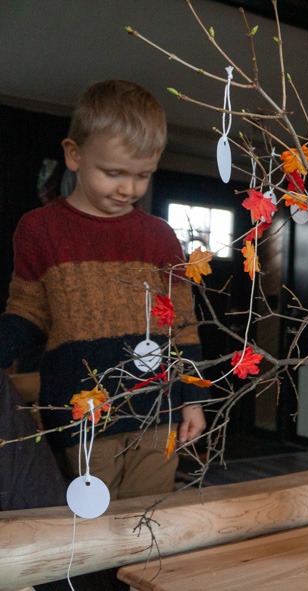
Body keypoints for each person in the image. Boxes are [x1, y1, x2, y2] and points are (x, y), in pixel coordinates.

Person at [0, 80, 207, 500]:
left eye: (143, 175)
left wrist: (192, 399)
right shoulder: (40, 230)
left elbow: (182, 325)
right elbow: (27, 313)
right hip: (79, 415)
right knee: (81, 531)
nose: (128, 189)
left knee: (147, 529)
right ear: (74, 155)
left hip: (157, 412)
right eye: (113, 173)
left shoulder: (161, 237)